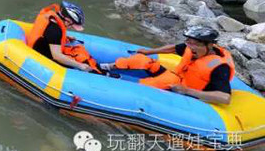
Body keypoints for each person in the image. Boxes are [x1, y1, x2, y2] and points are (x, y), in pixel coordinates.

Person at [100, 26, 234, 104]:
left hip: (185, 90)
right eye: (189, 42)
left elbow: (225, 98)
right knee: (140, 59)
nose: (190, 47)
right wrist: (149, 51)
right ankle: (105, 68)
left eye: (195, 44)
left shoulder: (219, 67)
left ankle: (115, 83)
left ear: (209, 45)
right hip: (176, 77)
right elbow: (174, 48)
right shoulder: (191, 47)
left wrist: (187, 91)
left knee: (147, 86)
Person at [26, 1, 104, 74]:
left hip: (43, 48)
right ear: (67, 20)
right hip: (44, 58)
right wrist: (80, 66)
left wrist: (65, 38)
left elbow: (48, 37)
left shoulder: (51, 19)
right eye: (72, 26)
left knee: (80, 52)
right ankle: (99, 73)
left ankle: (101, 67)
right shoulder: (55, 31)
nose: (72, 28)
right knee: (80, 62)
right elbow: (57, 56)